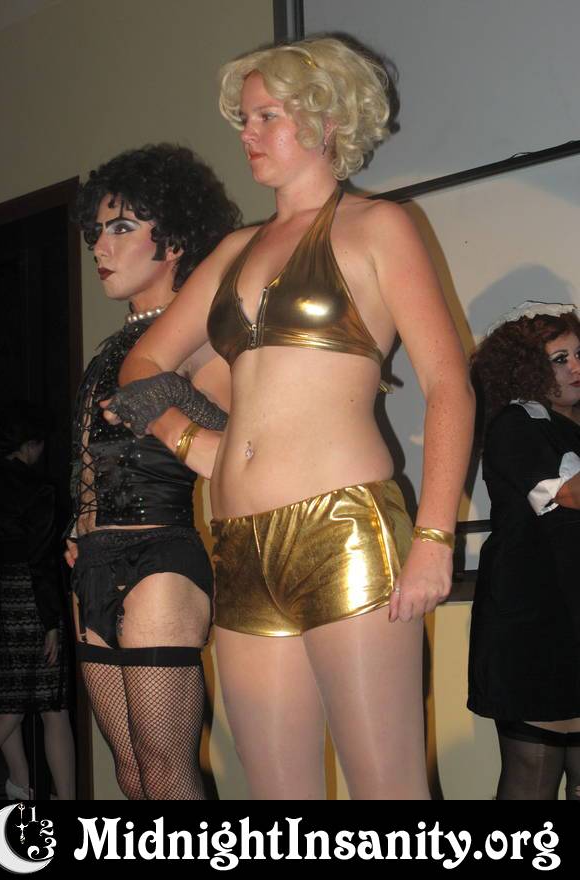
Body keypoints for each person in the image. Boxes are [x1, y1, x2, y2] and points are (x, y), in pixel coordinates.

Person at [106, 39, 474, 799]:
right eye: (243, 119)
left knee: (390, 797)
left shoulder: (379, 227)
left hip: (343, 532)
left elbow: (448, 386)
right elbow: (142, 365)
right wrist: (191, 441)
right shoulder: (234, 250)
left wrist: (436, 538)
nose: (247, 133)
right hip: (239, 544)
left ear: (326, 119)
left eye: (265, 116)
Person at [68, 144, 239, 800]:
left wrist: (173, 403)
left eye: (120, 228)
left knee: (167, 773)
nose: (99, 247)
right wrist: (78, 525)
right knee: (133, 775)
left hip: (159, 559)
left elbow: (241, 448)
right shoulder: (117, 345)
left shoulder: (194, 339)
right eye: (95, 231)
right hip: (93, 563)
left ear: (174, 240)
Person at [468, 301, 580, 800]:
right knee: (532, 777)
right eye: (560, 359)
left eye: (579, 354)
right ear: (527, 369)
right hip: (534, 624)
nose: (576, 367)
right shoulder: (516, 423)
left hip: (572, 616)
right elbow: (567, 494)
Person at [0, 402, 75, 800]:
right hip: (26, 598)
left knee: (8, 702)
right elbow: (41, 560)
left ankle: (20, 784)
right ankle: (65, 800)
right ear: (30, 444)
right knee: (49, 708)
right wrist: (51, 622)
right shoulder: (38, 489)